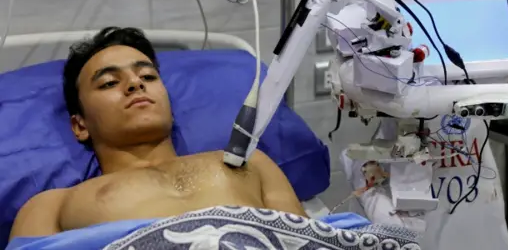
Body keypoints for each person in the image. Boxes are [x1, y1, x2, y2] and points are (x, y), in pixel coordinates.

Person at [10, 27, 306, 240]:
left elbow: (305, 239)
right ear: (80, 125)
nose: (135, 84)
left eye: (148, 76)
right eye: (110, 83)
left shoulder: (248, 163)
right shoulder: (51, 206)